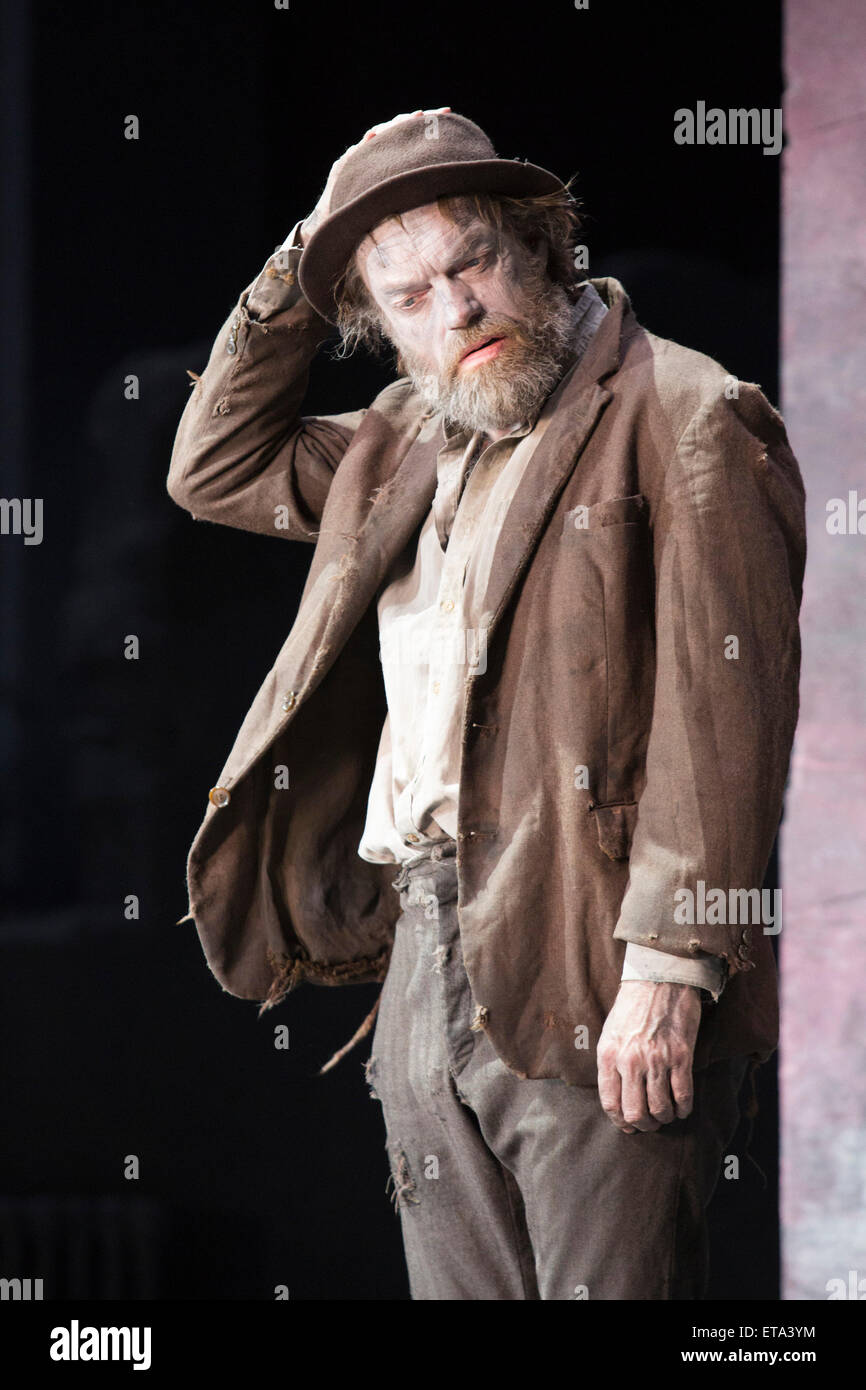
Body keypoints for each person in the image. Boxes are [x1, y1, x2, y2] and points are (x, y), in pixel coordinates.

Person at [167, 109, 806, 1299]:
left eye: (469, 262)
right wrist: (314, 251)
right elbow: (212, 467)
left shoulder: (687, 415)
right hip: (422, 944)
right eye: (404, 296)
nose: (452, 309)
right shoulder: (400, 438)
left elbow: (725, 717)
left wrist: (670, 969)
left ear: (539, 244)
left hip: (596, 952)